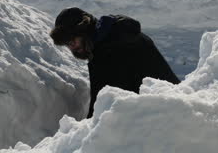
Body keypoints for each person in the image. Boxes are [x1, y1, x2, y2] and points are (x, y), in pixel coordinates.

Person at [49, 7, 180, 118]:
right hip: (171, 108)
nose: (72, 46)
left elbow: (104, 109)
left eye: (72, 39)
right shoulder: (116, 34)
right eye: (67, 43)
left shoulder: (109, 51)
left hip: (163, 118)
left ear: (85, 30)